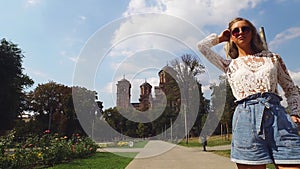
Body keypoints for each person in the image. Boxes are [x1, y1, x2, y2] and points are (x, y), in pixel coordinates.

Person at [197, 17, 300, 169]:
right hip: (245, 118)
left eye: (245, 29)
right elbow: (202, 47)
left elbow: (291, 89)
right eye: (235, 31)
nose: (240, 32)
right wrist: (220, 38)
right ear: (231, 36)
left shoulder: (272, 58)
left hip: (278, 117)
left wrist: (296, 113)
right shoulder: (229, 65)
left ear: (252, 32)